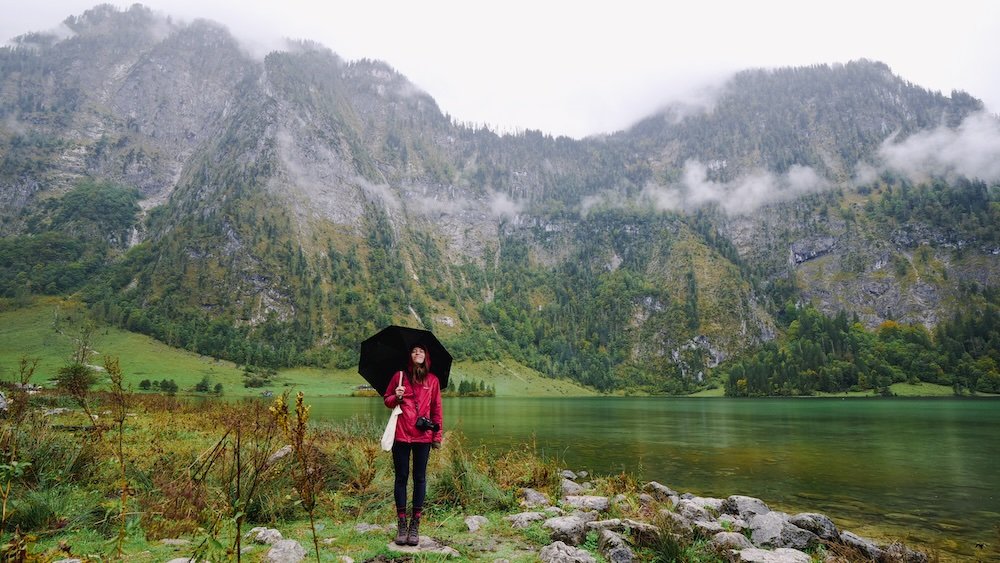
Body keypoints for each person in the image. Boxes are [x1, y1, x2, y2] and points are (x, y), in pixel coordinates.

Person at [383, 343, 443, 546]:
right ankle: (401, 524)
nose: (418, 353)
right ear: (410, 355)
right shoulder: (399, 376)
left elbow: (436, 409)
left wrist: (437, 436)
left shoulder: (433, 380)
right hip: (400, 435)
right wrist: (396, 396)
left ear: (426, 356)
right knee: (401, 478)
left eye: (421, 351)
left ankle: (415, 524)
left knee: (419, 478)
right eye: (414, 350)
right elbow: (387, 400)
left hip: (423, 436)